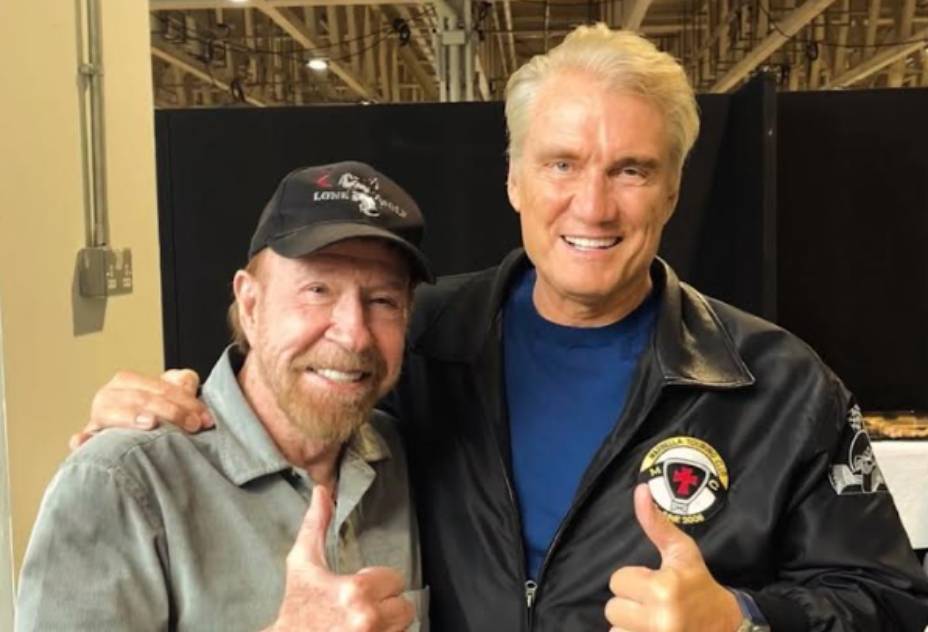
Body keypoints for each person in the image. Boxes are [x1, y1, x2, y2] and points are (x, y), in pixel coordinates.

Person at [74, 25, 928, 632]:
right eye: (562, 164)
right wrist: (170, 413)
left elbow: (889, 601)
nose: (592, 205)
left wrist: (742, 619)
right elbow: (296, 388)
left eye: (631, 170)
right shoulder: (418, 339)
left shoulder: (775, 385)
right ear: (515, 179)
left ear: (673, 189)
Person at [16, 162, 433, 632]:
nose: (355, 334)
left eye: (383, 301)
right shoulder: (122, 483)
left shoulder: (406, 461)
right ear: (251, 305)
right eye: (318, 290)